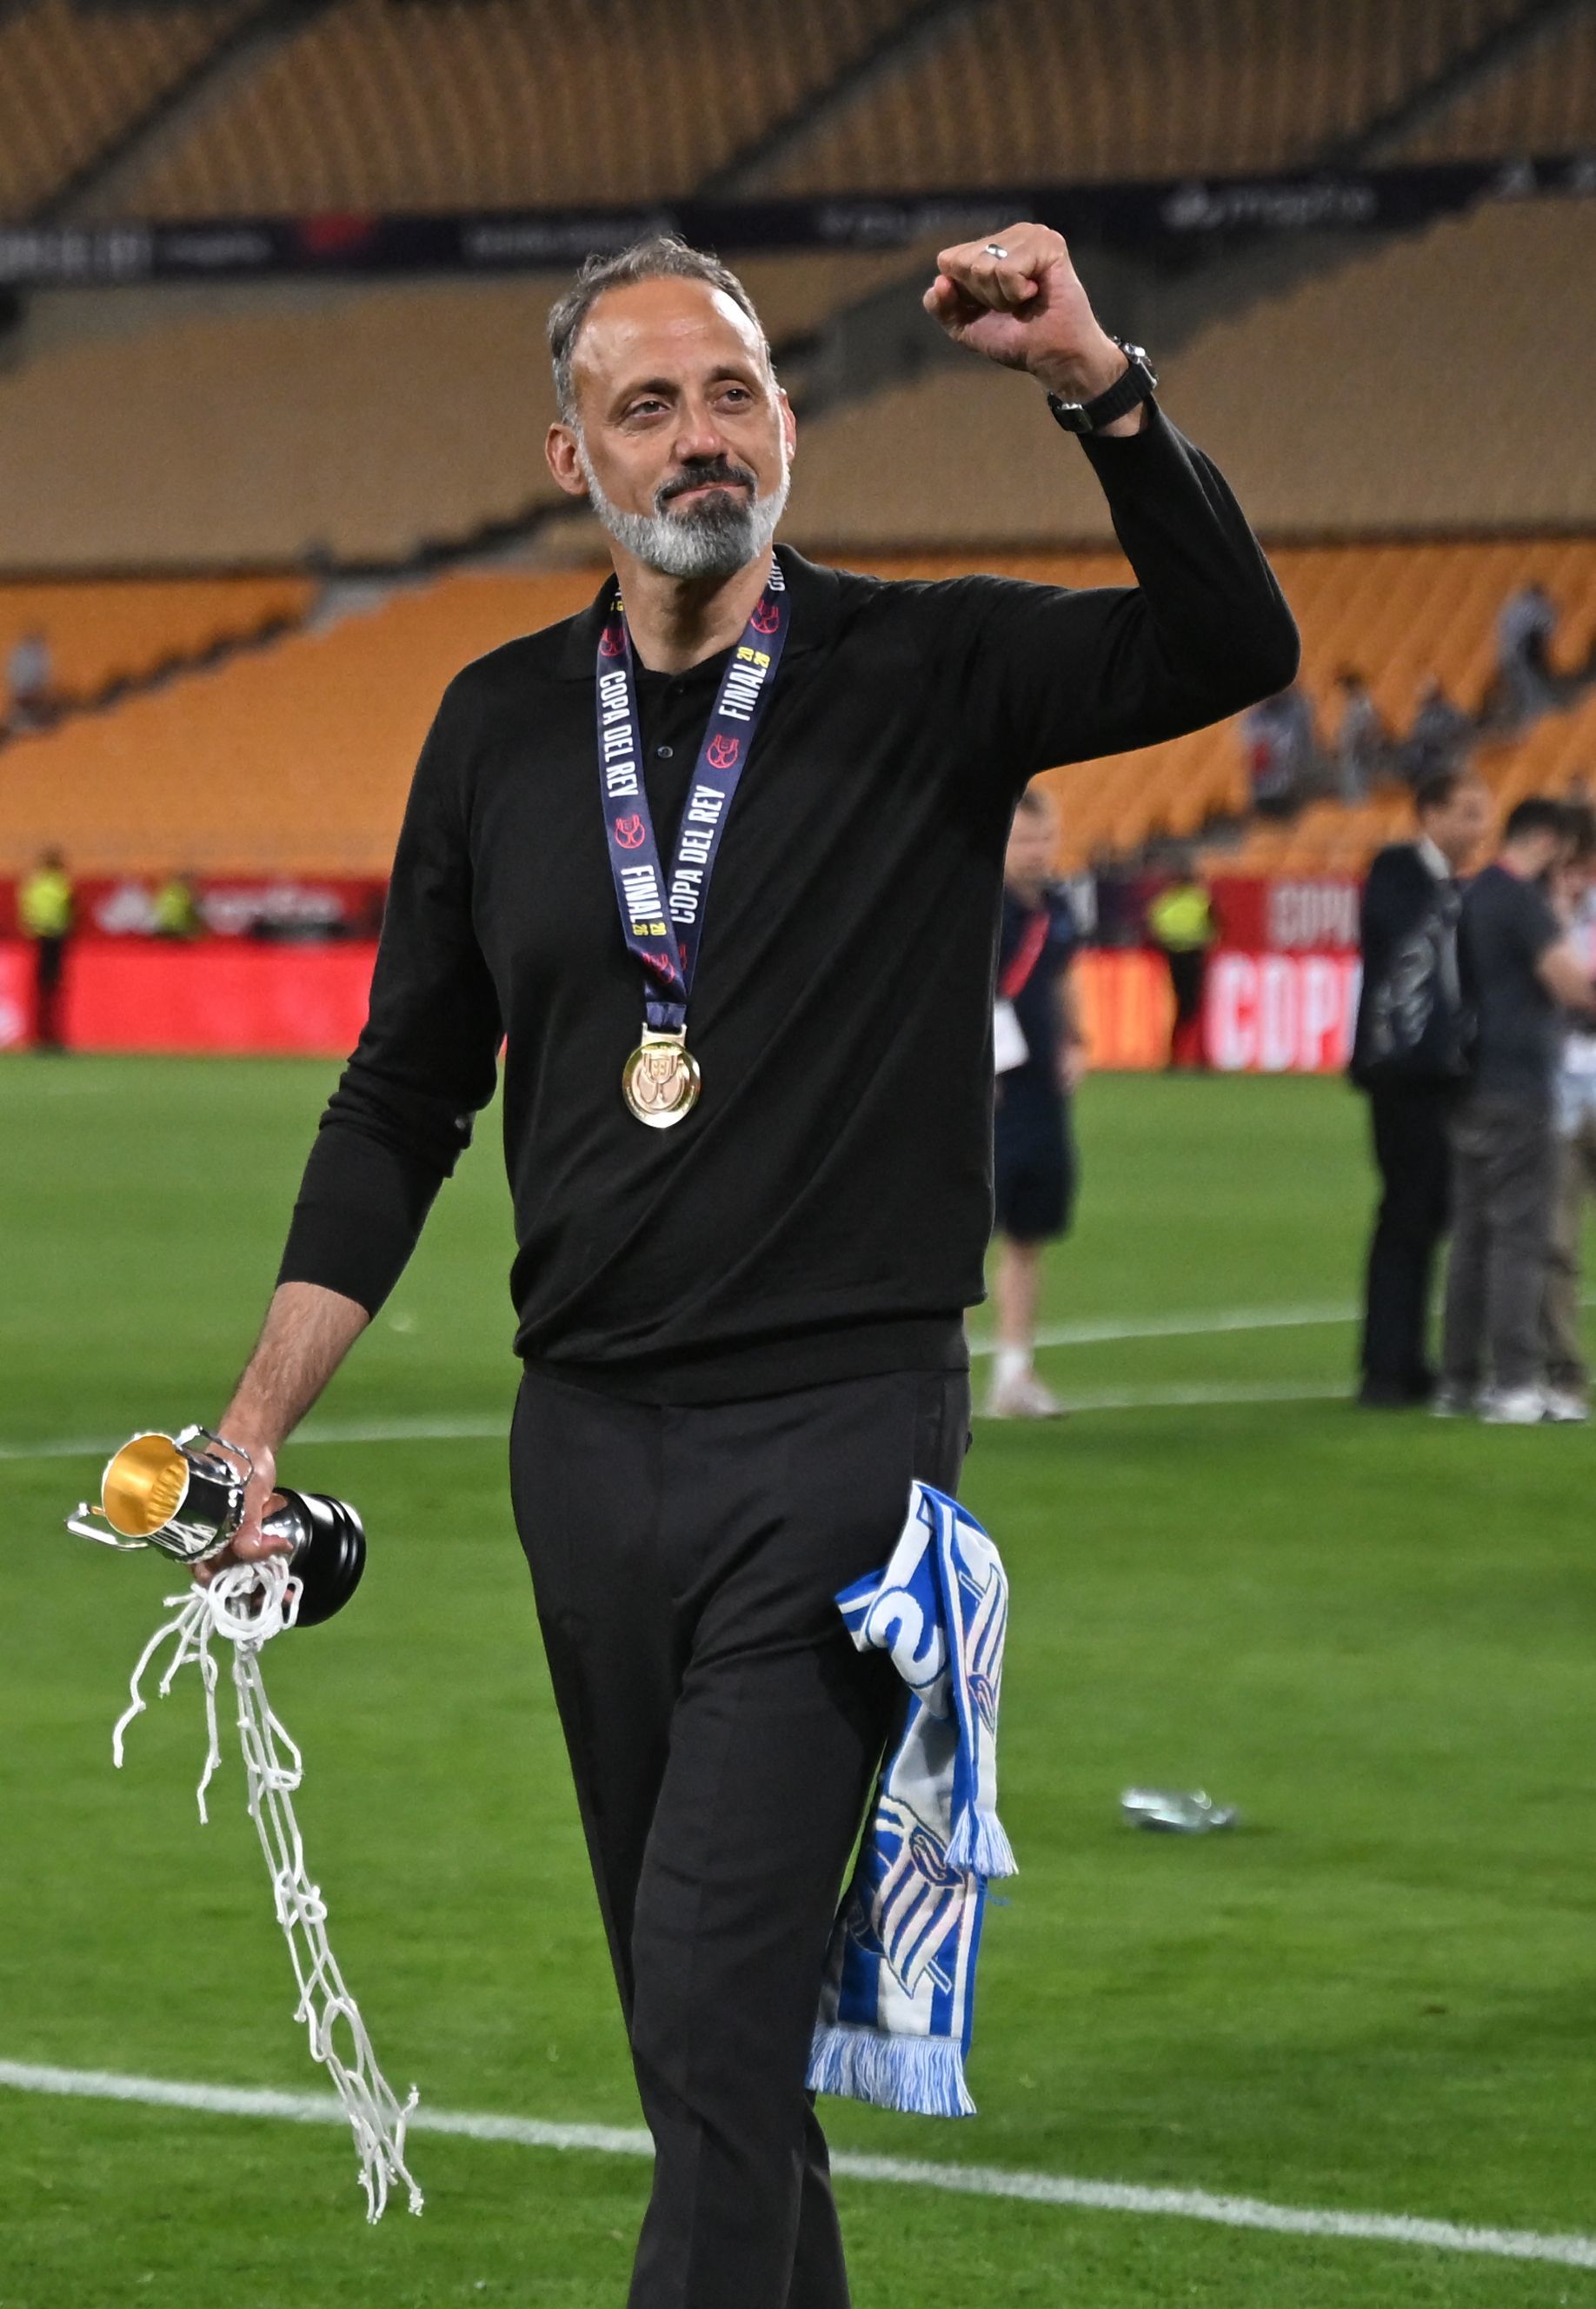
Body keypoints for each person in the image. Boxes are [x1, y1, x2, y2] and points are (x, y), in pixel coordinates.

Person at [198, 226, 1297, 2309]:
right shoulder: (499, 727)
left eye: (733, 396)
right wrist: (257, 1425)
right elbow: (400, 1094)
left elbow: (1226, 639)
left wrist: (1094, 376)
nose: (699, 438)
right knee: (705, 2056)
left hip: (837, 1444)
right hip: (589, 1451)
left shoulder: (931, 666)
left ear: (786, 426)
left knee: (710, 2020)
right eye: (647, 403)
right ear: (567, 453)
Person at [1438, 798, 1596, 1423]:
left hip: (1472, 1079)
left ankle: (1459, 1379)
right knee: (1521, 1238)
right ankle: (1516, 1381)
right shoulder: (1521, 900)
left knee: (1474, 1236)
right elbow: (1572, 987)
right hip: (1520, 1083)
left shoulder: (1475, 893)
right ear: (1551, 841)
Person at [1349, 770, 1491, 1407]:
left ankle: (1404, 1359)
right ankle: (1386, 1367)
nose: (1478, 826)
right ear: (1429, 813)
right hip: (1403, 1074)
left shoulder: (1442, 884)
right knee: (1407, 1213)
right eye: (1466, 812)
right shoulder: (1399, 871)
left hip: (1433, 1074)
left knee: (1425, 1213)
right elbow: (1405, 938)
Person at [988, 782, 1085, 1419]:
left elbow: (1061, 977)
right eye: (1024, 839)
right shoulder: (982, 908)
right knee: (962, 1232)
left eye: (1044, 837)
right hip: (987, 1092)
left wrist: (1076, 1040)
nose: (1036, 851)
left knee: (1029, 1232)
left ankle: (1014, 1372)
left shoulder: (1057, 908)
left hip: (1040, 1086)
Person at [1539, 799, 1596, 1419]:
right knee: (1556, 1247)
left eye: (1583, 865)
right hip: (1553, 1099)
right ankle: (1564, 1375)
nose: (1576, 877)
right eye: (1566, 865)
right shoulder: (1531, 922)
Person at [1147, 864, 1216, 1068]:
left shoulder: (1167, 901)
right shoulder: (1200, 900)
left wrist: (1168, 941)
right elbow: (1215, 925)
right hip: (1195, 955)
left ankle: (1175, 1057)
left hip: (1174, 955)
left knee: (1180, 1007)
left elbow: (1155, 924)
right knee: (1196, 1008)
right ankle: (1200, 1057)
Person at [17, 848, 74, 1051]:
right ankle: (52, 1037)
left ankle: (39, 1036)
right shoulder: (61, 883)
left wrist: (29, 926)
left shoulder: (35, 883)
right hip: (56, 939)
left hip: (39, 938)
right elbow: (71, 909)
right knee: (54, 989)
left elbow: (26, 908)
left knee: (42, 990)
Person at [1243, 682, 1317, 816]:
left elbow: (1305, 746)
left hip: (1295, 786)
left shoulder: (1297, 708)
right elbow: (1254, 754)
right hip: (1268, 790)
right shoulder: (1254, 718)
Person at [1496, 582, 1559, 726]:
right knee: (1530, 690)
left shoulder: (1512, 607)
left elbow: (1502, 630)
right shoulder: (1540, 609)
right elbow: (1548, 629)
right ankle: (1527, 723)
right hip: (1523, 657)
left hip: (1508, 655)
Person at [1400, 679, 1472, 789]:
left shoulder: (1450, 713)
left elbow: (1461, 733)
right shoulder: (1423, 717)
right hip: (1428, 755)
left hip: (1442, 755)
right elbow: (1418, 738)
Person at [1331, 666, 1388, 801]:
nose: (1345, 692)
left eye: (1347, 687)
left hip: (1364, 744)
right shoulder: (1353, 702)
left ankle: (1359, 798)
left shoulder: (1363, 702)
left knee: (1355, 769)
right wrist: (1341, 738)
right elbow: (1349, 726)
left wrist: (1350, 739)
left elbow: (1367, 724)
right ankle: (1354, 796)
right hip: (1355, 743)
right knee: (1348, 767)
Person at [6, 628, 53, 731]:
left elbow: (44, 675)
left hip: (33, 690)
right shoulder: (21, 654)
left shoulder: (41, 656)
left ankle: (31, 719)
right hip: (22, 689)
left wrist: (39, 688)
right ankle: (22, 719)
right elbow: (13, 673)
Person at [151, 871, 205, 940]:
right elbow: (194, 914)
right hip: (176, 930)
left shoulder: (167, 891)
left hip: (160, 928)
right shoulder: (185, 894)